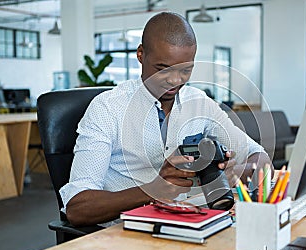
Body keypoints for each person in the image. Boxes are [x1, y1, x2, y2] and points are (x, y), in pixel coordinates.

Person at [60, 12, 272, 227]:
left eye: (185, 70)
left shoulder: (200, 103)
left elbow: (262, 160)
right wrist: (153, 190)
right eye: (162, 69)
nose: (174, 80)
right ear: (141, 54)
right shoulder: (107, 108)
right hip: (128, 234)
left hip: (195, 225)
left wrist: (235, 172)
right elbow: (77, 208)